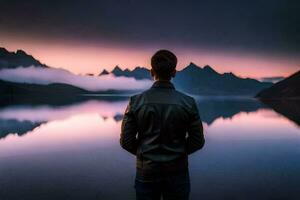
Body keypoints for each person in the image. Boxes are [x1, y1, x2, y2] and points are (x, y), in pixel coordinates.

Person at [120, 49, 205, 200]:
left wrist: (145, 155)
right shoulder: (188, 103)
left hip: (146, 172)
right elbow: (197, 141)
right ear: (174, 73)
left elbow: (126, 142)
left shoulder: (135, 102)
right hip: (177, 171)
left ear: (151, 71)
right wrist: (178, 153)